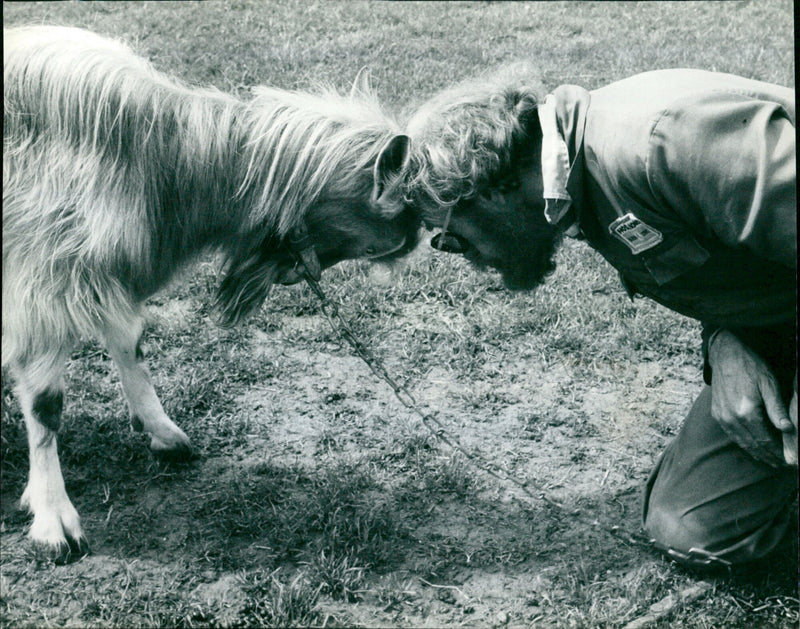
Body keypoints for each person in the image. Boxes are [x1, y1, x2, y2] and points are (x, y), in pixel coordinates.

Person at [403, 67, 797, 568]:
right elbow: (724, 264)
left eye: (451, 237)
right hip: (779, 321)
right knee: (690, 529)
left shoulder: (659, 144)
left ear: (489, 191)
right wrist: (724, 343)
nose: (468, 258)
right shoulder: (579, 184)